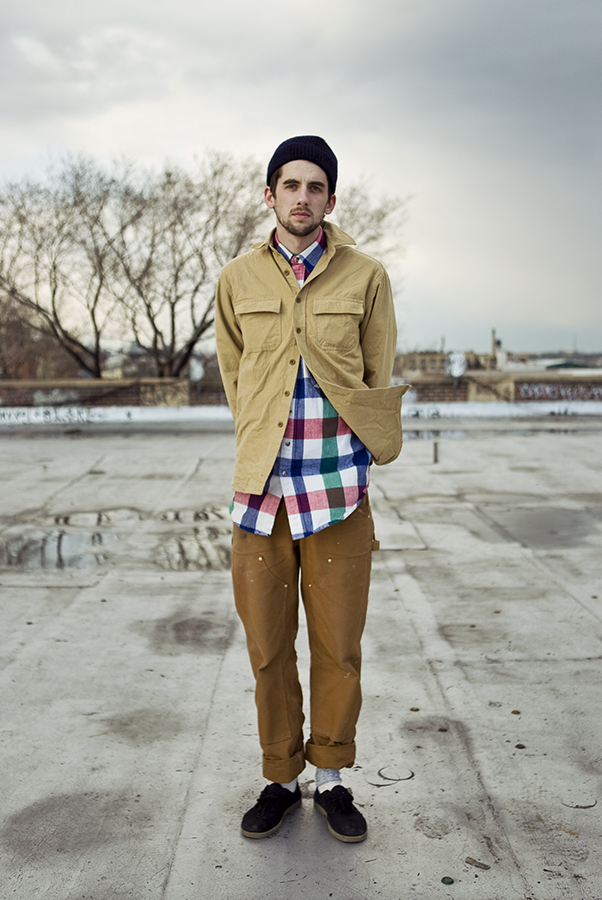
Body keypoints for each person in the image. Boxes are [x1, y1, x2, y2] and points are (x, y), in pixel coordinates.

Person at [215, 135, 407, 843]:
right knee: (267, 648)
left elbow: (378, 375)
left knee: (338, 647)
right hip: (261, 493)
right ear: (269, 194)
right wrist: (261, 443)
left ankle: (330, 779)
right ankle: (278, 776)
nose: (302, 196)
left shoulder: (366, 276)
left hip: (337, 492)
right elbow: (237, 379)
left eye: (315, 186)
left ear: (330, 199)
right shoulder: (237, 279)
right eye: (289, 184)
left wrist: (356, 455)